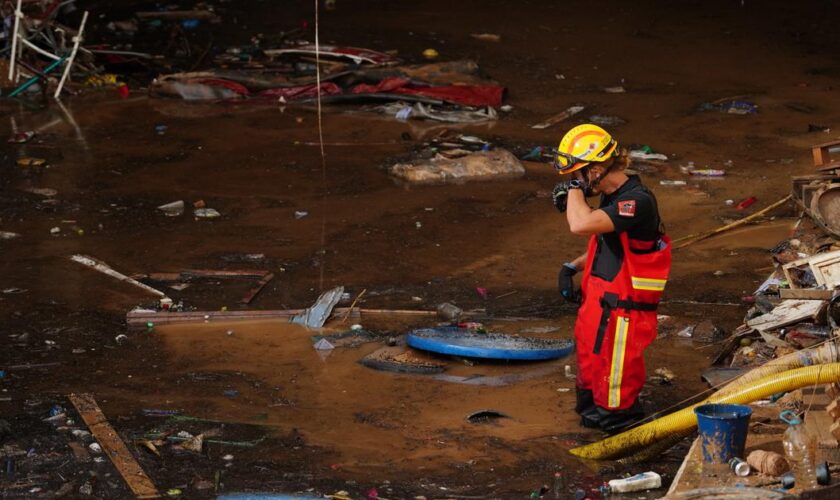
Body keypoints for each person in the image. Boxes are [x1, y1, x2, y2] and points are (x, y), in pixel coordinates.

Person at [551, 124, 672, 434]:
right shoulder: (611, 196)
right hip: (600, 304)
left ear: (599, 168)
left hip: (624, 314)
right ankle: (590, 433)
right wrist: (573, 266)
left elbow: (581, 224)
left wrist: (573, 192)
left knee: (615, 393)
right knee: (590, 388)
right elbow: (609, 243)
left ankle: (625, 450)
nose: (574, 181)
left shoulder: (637, 201)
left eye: (578, 174)